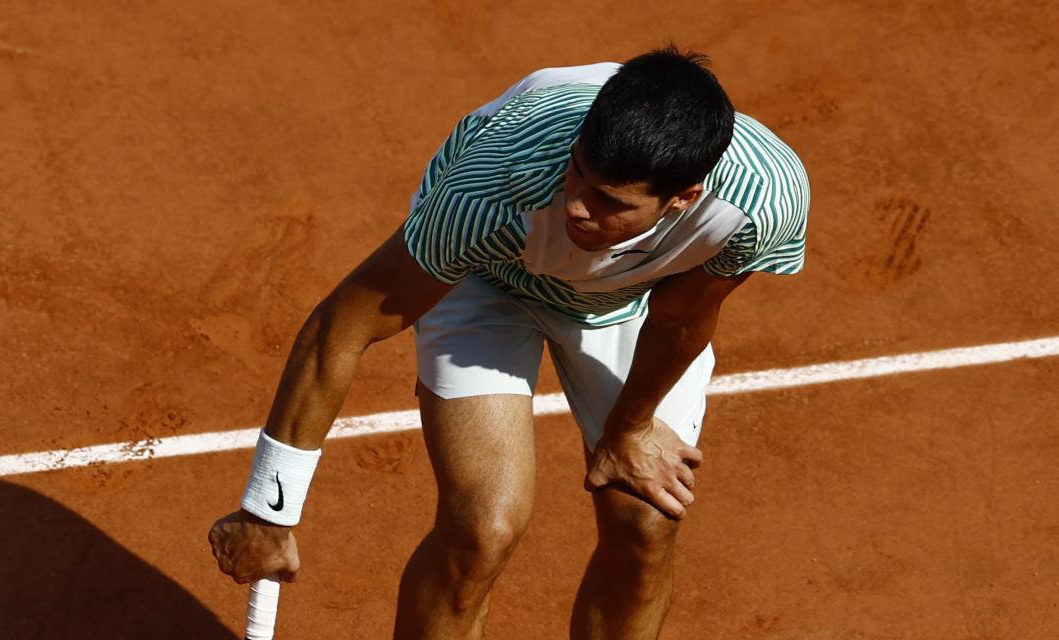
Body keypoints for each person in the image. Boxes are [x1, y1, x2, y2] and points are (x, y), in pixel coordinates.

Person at [207, 45, 809, 640]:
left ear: (684, 198)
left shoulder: (762, 204)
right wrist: (268, 510)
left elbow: (679, 320)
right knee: (483, 528)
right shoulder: (491, 182)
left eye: (610, 201)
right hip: (487, 278)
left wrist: (627, 432)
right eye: (578, 171)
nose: (576, 203)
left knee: (646, 525)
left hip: (626, 297)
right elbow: (341, 326)